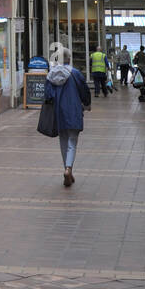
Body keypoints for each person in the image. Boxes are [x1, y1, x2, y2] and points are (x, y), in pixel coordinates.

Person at [44, 48, 92, 187]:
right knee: (72, 142)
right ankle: (68, 169)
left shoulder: (51, 75)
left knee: (63, 141)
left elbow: (47, 95)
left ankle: (67, 169)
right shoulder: (75, 73)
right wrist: (87, 104)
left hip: (59, 112)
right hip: (73, 110)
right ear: (69, 59)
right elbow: (84, 91)